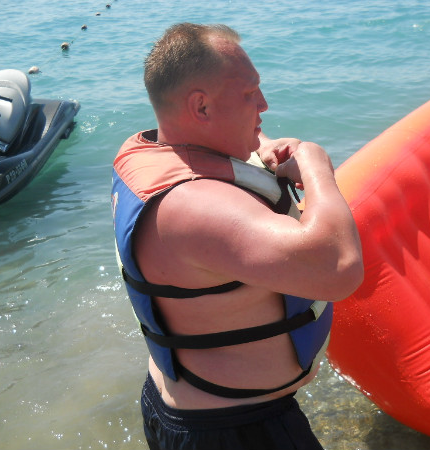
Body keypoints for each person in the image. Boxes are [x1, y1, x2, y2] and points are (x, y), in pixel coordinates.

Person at [111, 23, 363, 450]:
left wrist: (261, 146)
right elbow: (339, 267)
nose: (263, 104)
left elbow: (213, 146)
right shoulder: (193, 206)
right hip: (232, 432)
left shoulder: (145, 151)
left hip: (195, 410)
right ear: (201, 107)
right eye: (250, 93)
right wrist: (316, 166)